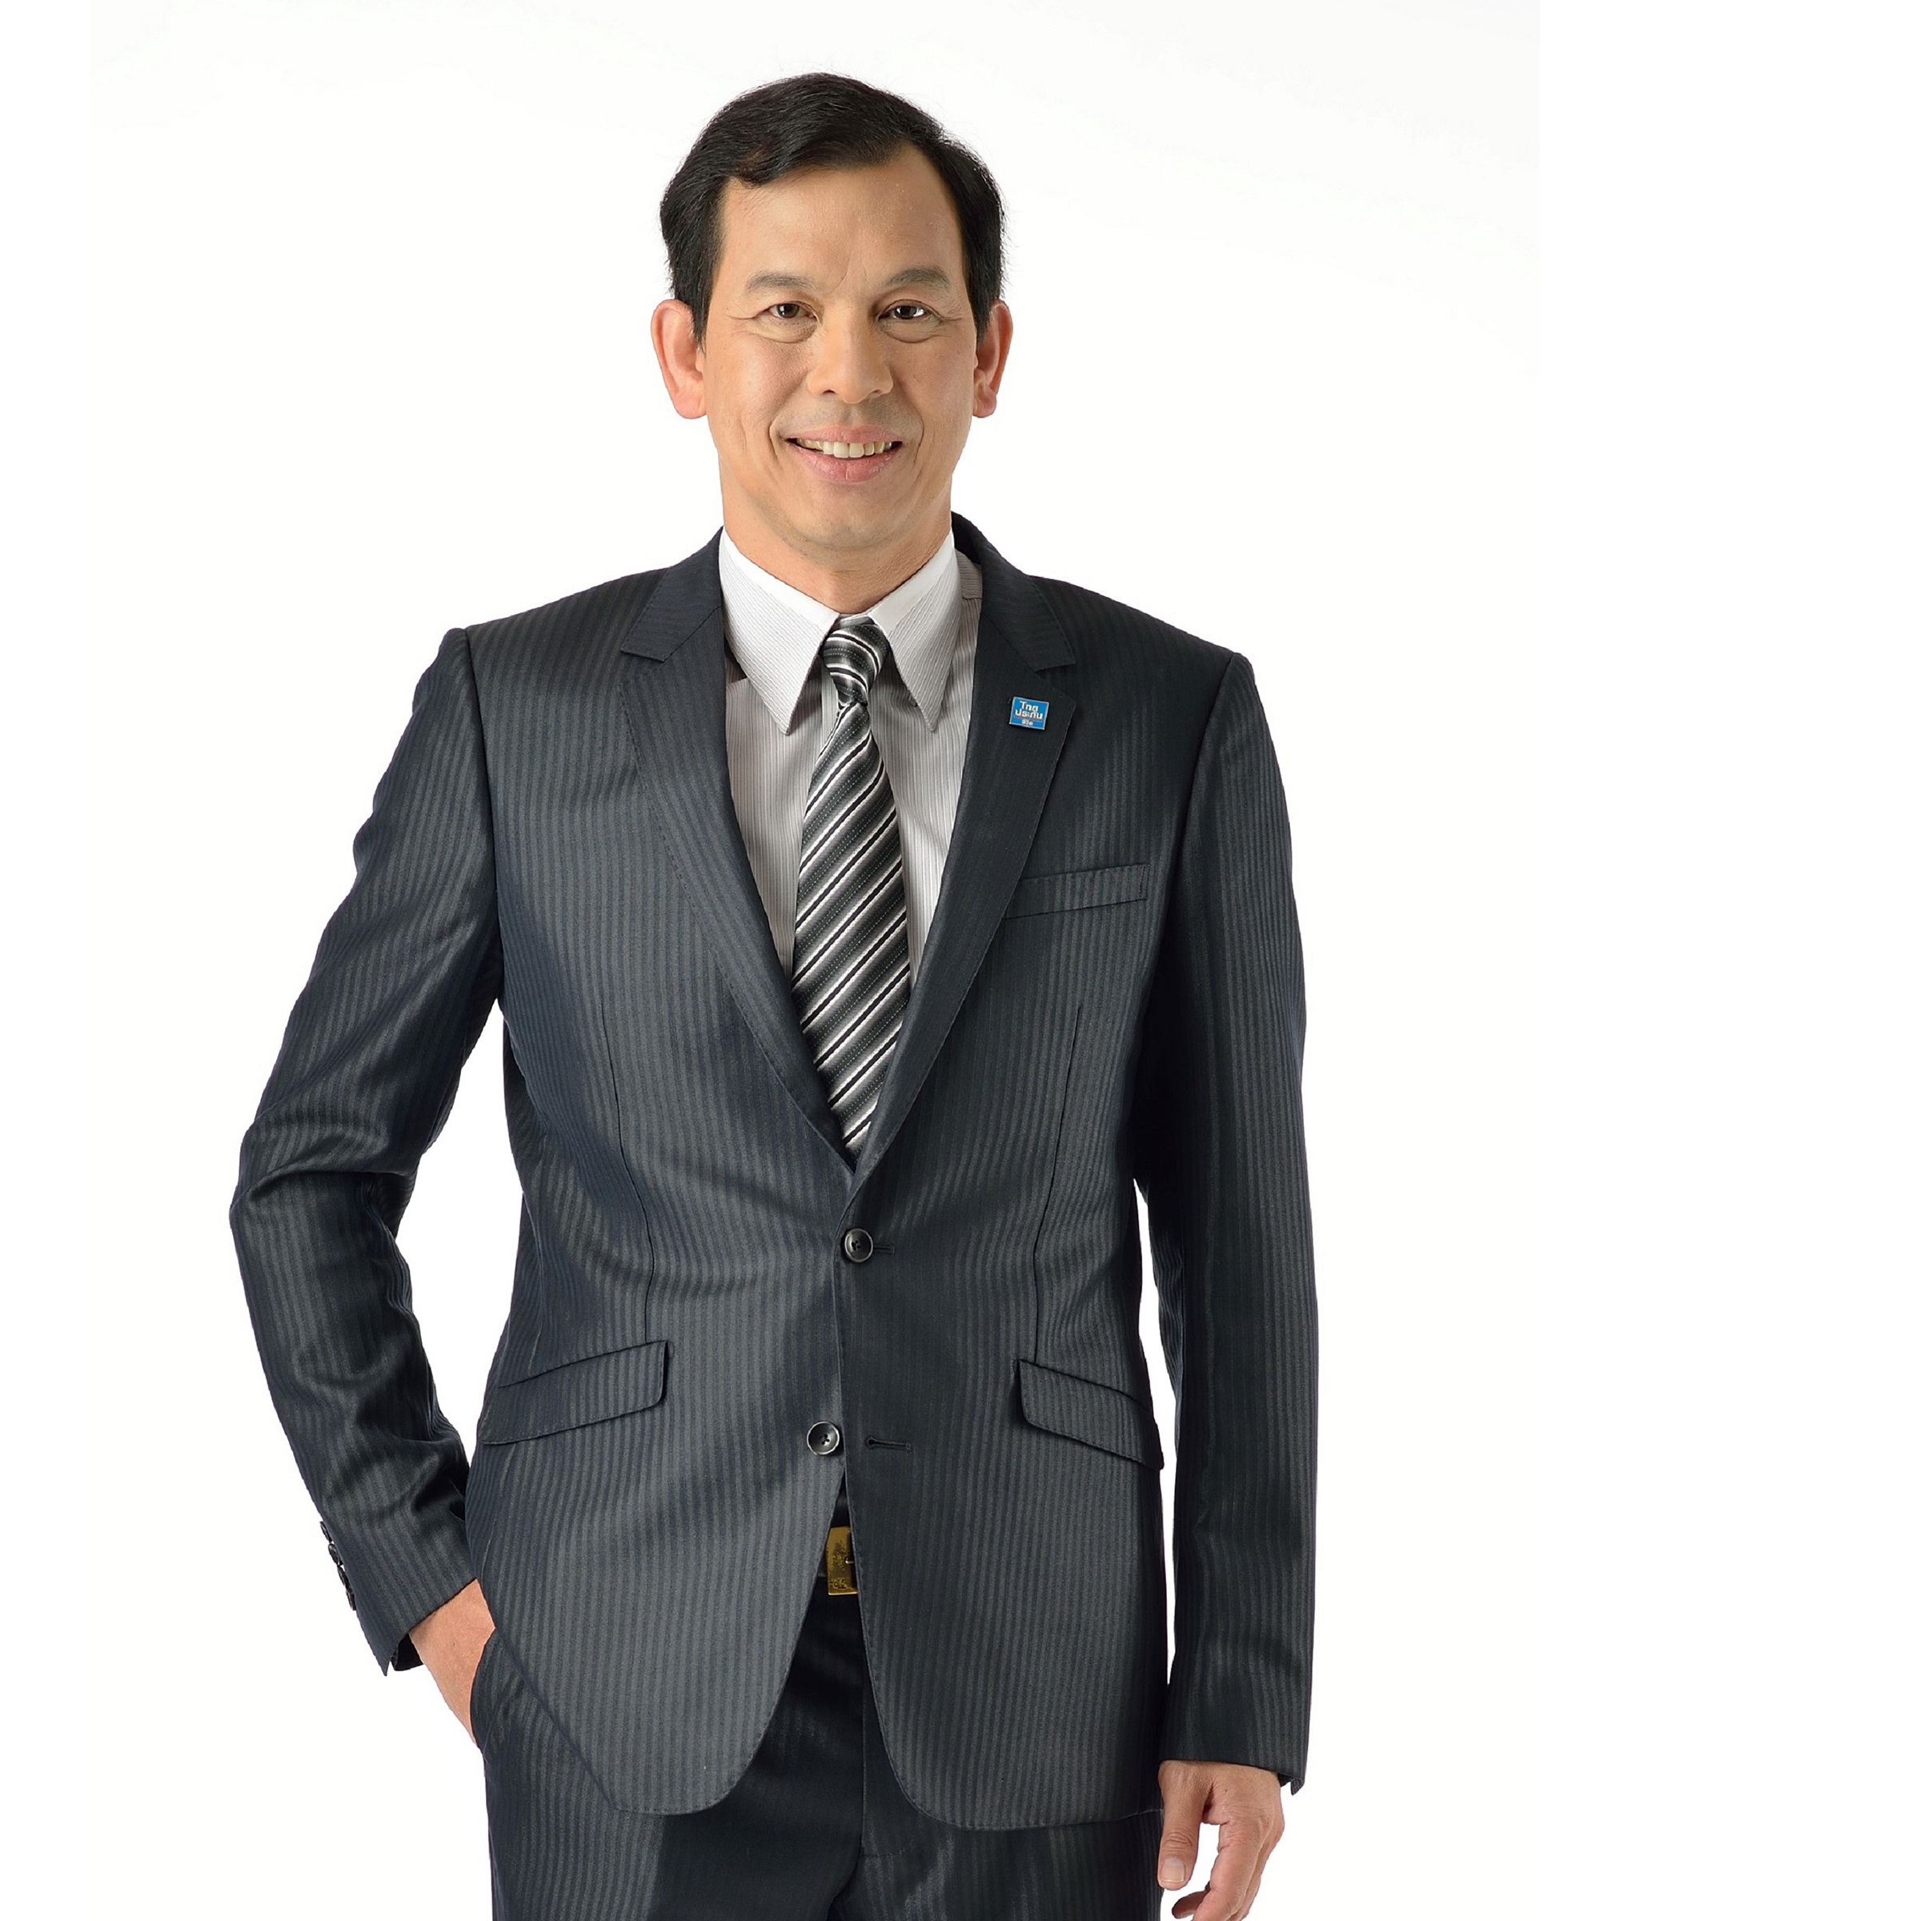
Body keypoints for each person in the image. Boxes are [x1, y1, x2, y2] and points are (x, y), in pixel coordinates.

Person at [231, 72, 1315, 1921]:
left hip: (1038, 1683)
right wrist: (437, 1591)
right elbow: (309, 1176)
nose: (849, 372)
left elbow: (1243, 1240)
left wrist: (1242, 1681)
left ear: (989, 352)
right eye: (785, 310)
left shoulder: (1166, 718)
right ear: (686, 352)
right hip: (614, 1676)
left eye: (908, 309)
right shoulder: (516, 712)